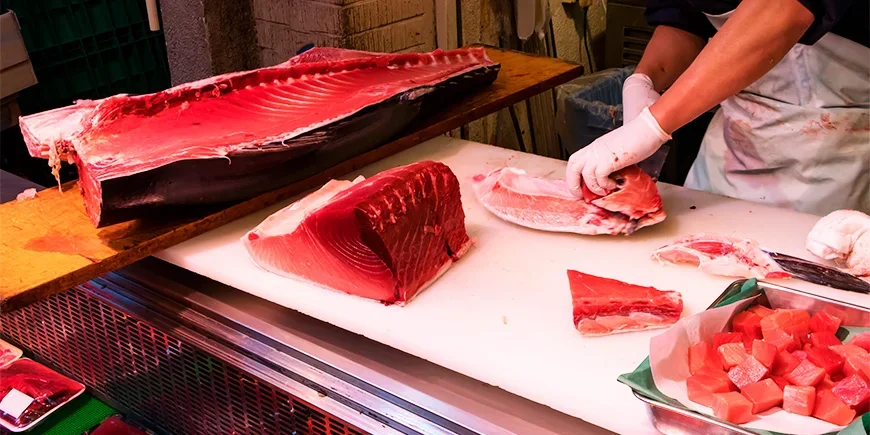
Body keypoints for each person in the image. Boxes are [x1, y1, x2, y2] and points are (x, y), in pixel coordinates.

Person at [565, 0, 870, 216]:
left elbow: (785, 10)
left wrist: (653, 125)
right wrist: (644, 81)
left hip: (840, 147)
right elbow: (683, 20)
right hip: (736, 141)